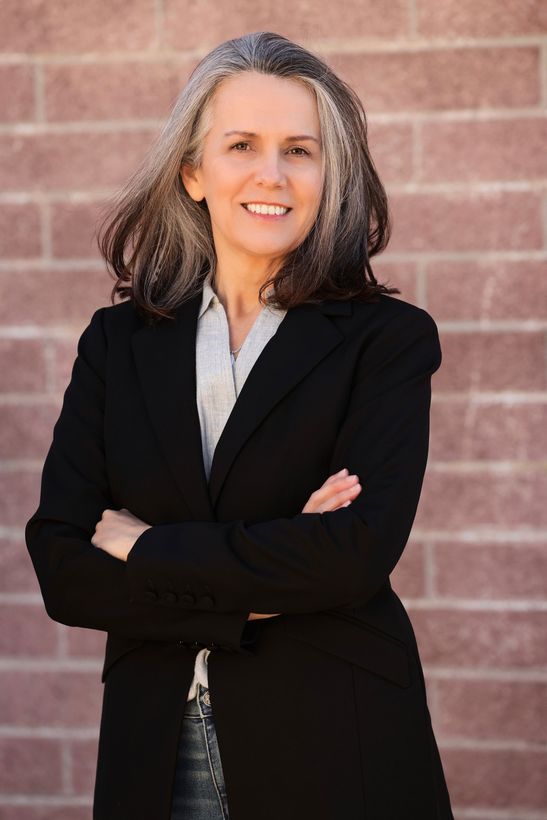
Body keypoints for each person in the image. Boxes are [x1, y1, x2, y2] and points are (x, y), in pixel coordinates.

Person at [25, 30, 454, 820]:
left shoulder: (386, 341)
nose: (272, 174)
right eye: (241, 145)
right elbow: (63, 564)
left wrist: (144, 547)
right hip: (155, 746)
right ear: (193, 172)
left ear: (331, 175)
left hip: (335, 734)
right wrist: (262, 581)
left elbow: (351, 556)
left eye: (300, 150)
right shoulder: (117, 345)